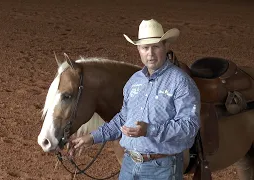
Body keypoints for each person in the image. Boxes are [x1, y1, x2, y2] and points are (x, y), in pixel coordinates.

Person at [70, 19, 201, 180]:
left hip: (162, 168)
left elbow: (189, 126)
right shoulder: (134, 81)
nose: (150, 54)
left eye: (156, 47)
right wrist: (92, 137)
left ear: (166, 47)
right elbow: (123, 118)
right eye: (145, 48)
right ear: (138, 49)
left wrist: (149, 130)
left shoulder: (180, 81)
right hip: (129, 164)